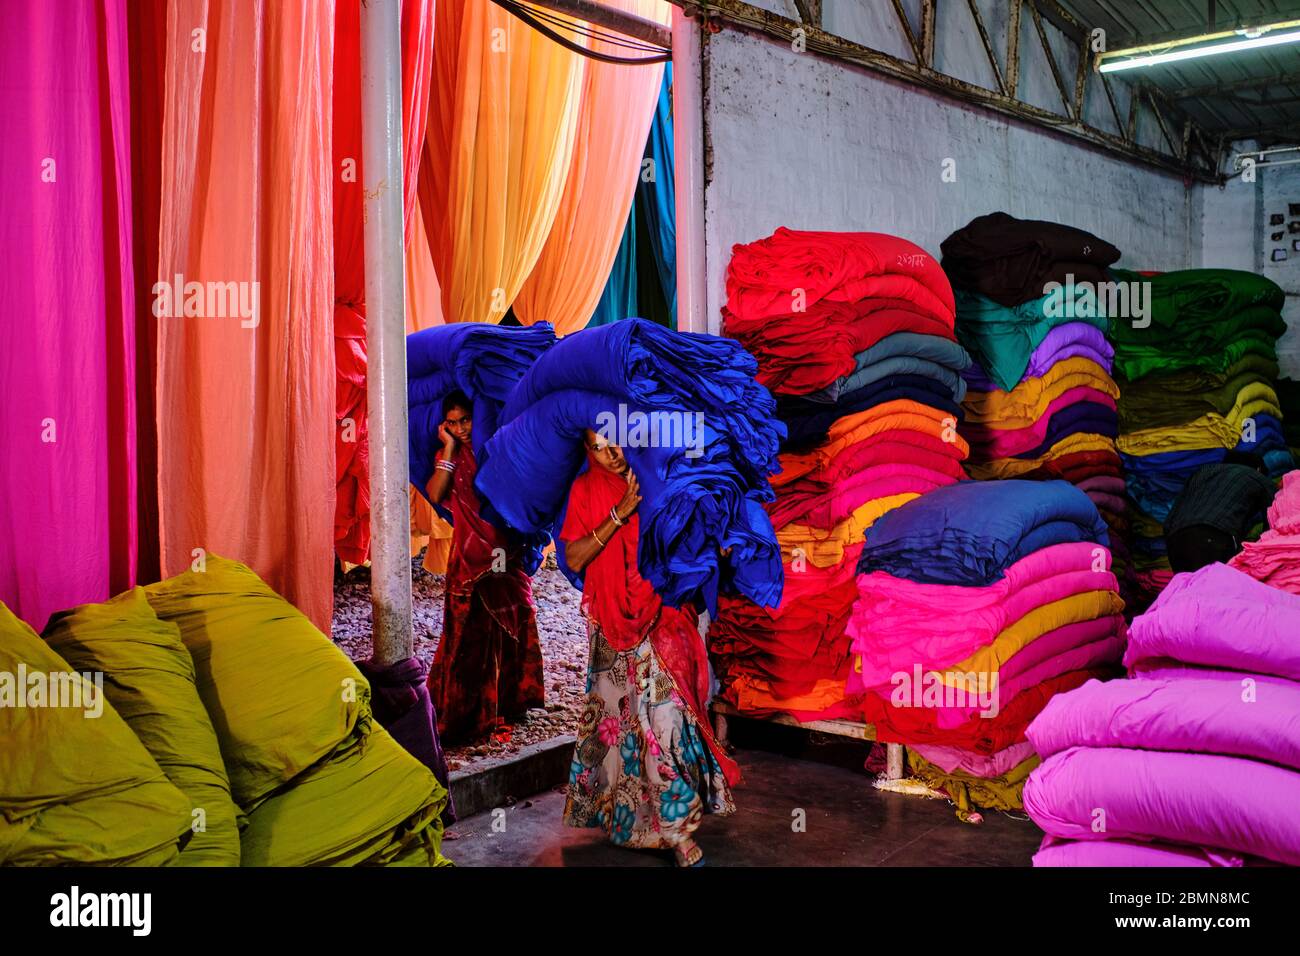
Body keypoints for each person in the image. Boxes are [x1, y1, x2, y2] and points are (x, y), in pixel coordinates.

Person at [558, 429, 738, 867]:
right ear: (587, 450)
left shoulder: (656, 475)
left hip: (662, 617)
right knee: (620, 727)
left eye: (616, 441)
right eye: (600, 447)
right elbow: (576, 558)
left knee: (666, 721)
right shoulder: (584, 489)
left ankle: (677, 830)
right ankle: (634, 825)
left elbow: (689, 539)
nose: (612, 454)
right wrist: (618, 515)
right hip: (611, 625)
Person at [425, 390, 544, 742]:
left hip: (506, 554)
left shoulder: (495, 451)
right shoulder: (451, 457)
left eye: (465, 420)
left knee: (514, 620)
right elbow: (434, 494)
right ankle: (471, 714)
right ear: (443, 425)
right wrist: (447, 449)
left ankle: (509, 703)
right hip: (468, 558)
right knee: (472, 635)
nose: (461, 429)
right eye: (452, 423)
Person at [1164, 451, 1277, 573]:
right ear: (1259, 469)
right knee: (1215, 589)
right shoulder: (1256, 477)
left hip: (1175, 541)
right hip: (1213, 537)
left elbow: (1174, 511)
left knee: (1187, 589)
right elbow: (1275, 517)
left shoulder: (1202, 472)